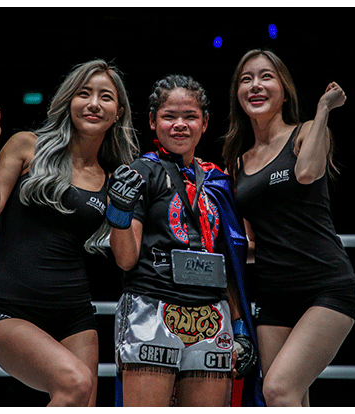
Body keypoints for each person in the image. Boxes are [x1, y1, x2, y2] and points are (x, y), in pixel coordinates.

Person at [0, 59, 138, 406]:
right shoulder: (26, 145)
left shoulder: (112, 179)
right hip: (9, 308)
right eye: (84, 93)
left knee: (84, 401)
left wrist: (124, 209)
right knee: (76, 384)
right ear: (69, 100)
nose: (94, 103)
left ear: (118, 113)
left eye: (105, 97)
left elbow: (125, 257)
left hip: (74, 313)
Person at [107, 74, 260, 407]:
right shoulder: (141, 173)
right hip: (152, 308)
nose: (180, 124)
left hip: (212, 315)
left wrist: (239, 326)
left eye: (190, 116)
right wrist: (118, 213)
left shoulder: (218, 182)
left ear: (204, 123)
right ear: (152, 121)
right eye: (169, 116)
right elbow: (125, 259)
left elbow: (229, 263)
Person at [222, 49, 355, 407]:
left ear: (284, 91)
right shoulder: (238, 162)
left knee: (278, 390)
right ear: (238, 94)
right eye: (246, 79)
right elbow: (249, 241)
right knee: (287, 398)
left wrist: (324, 109)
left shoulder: (307, 132)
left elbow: (307, 172)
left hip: (325, 285)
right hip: (274, 296)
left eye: (266, 76)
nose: (256, 85)